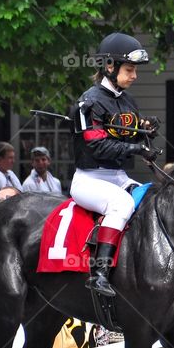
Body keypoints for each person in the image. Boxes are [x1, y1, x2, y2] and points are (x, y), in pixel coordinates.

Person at [68, 31, 158, 297]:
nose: (134, 75)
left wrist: (146, 129)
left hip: (118, 177)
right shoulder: (90, 101)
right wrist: (136, 147)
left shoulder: (126, 101)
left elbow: (130, 131)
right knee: (122, 204)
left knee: (151, 198)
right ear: (110, 66)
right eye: (129, 69)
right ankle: (99, 273)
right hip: (89, 180)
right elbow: (96, 145)